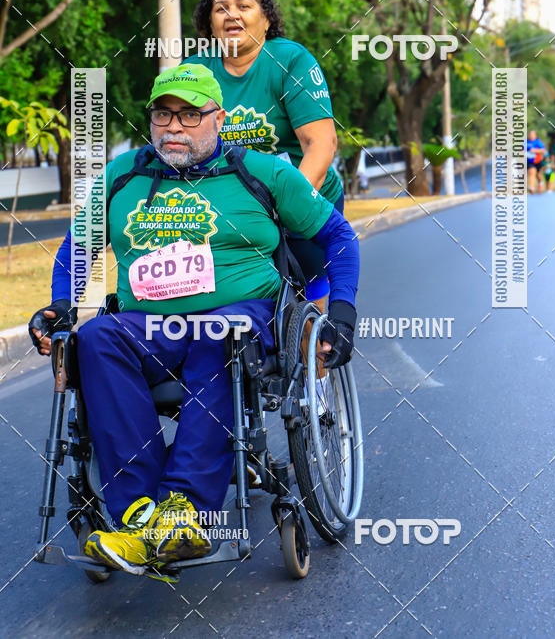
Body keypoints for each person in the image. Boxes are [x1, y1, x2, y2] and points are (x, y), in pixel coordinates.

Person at [28, 63, 359, 578]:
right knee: (95, 338)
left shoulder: (264, 173)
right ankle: (140, 516)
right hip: (149, 323)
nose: (174, 127)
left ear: (218, 118)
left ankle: (184, 512)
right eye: (163, 115)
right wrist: (59, 305)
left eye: (189, 115)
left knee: (216, 335)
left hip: (240, 318)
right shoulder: (122, 176)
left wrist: (341, 312)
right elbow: (79, 247)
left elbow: (339, 238)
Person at [185, 0, 342, 310]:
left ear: (266, 19)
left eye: (244, 6)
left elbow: (321, 143)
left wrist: (288, 204)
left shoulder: (291, 60)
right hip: (231, 203)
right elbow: (179, 146)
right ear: (209, 24)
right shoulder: (195, 71)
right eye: (220, 8)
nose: (232, 15)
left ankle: (315, 351)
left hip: (302, 191)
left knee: (304, 285)